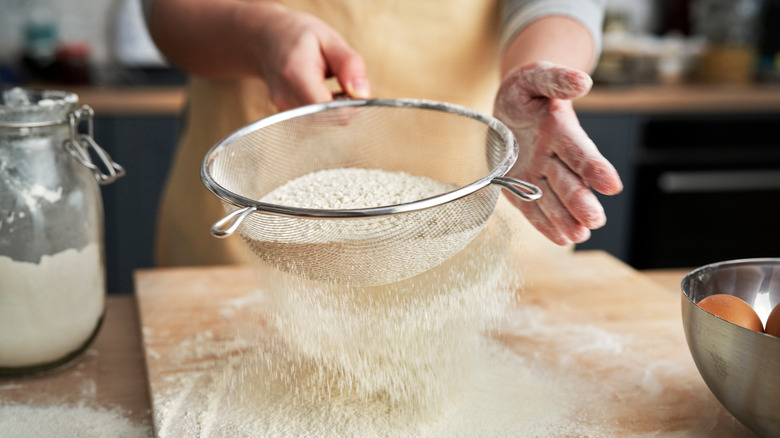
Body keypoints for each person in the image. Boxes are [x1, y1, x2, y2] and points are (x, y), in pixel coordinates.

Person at [143, 0, 623, 267]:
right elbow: (169, 11)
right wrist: (261, 34)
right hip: (261, 208)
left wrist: (537, 75)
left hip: (478, 192)